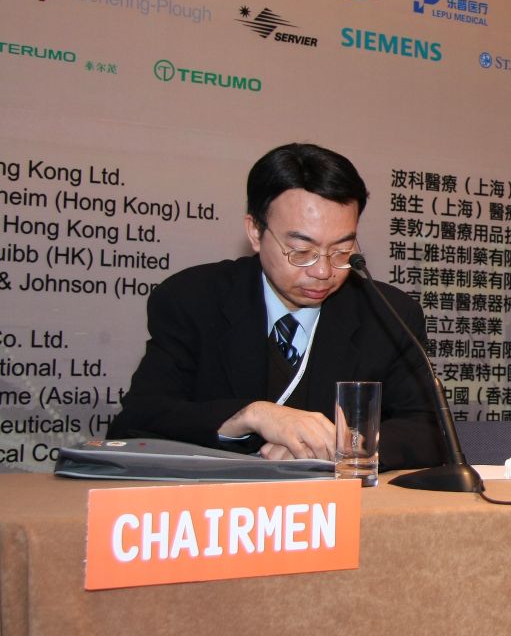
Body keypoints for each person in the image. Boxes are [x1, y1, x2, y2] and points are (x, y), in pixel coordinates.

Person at [109, 143, 443, 469]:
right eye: (301, 251)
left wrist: (340, 444)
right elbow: (140, 420)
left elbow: (431, 432)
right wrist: (252, 415)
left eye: (342, 250)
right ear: (255, 232)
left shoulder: (386, 313)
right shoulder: (194, 299)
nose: (323, 271)